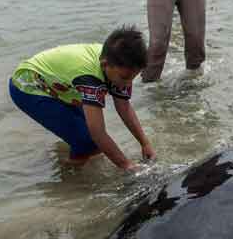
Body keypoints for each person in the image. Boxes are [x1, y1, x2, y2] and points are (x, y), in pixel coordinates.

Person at [9, 27, 154, 170]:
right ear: (104, 65)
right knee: (87, 142)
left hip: (61, 85)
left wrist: (145, 143)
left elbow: (124, 106)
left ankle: (70, 161)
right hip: (27, 86)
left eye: (133, 78)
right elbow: (97, 132)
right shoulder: (90, 78)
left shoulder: (118, 64)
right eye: (125, 78)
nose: (128, 84)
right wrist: (126, 166)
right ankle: (71, 179)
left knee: (90, 143)